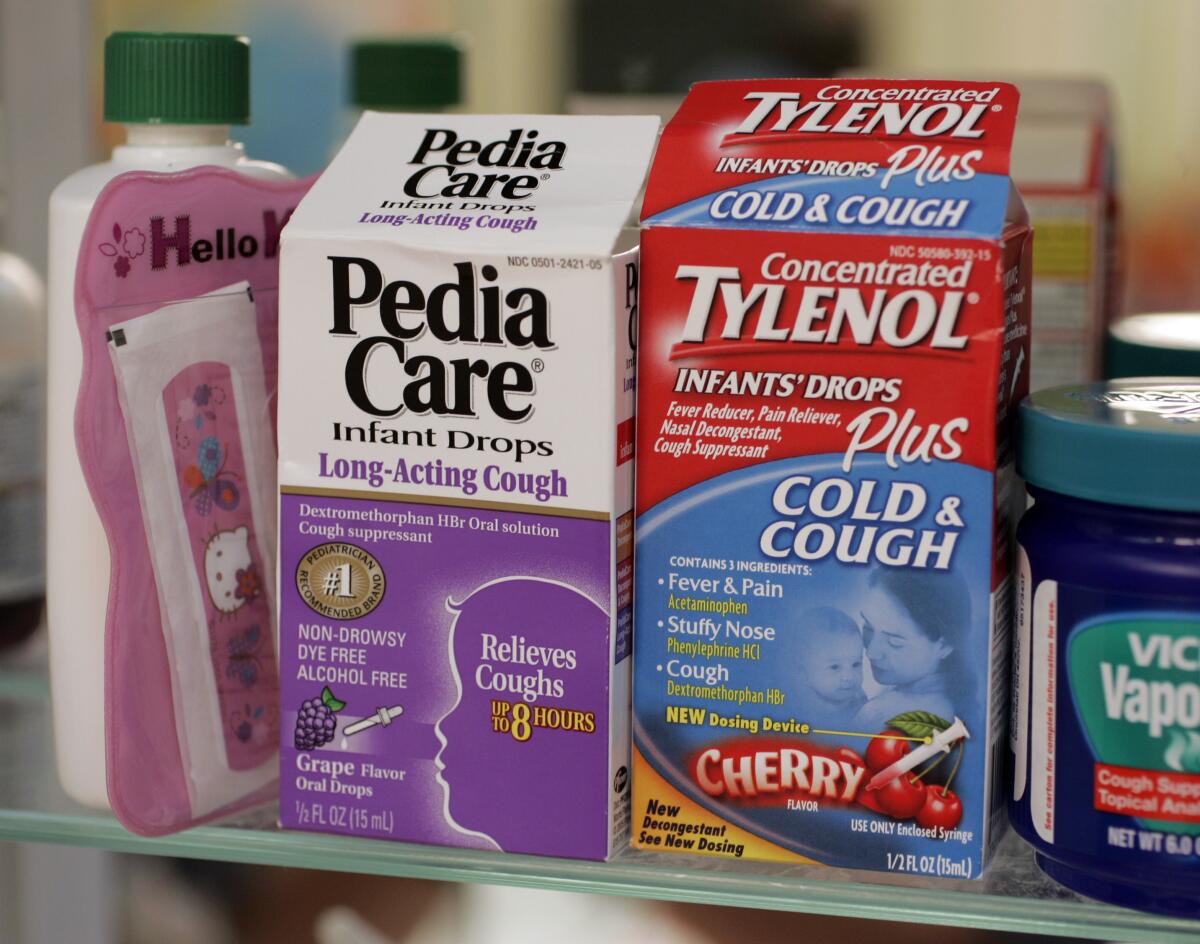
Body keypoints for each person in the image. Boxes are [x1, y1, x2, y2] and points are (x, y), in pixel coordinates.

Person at [853, 567, 974, 732]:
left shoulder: (881, 715)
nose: (870, 653)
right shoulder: (951, 691)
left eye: (895, 641)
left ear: (944, 646)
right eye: (867, 627)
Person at [791, 606, 866, 728]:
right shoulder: (803, 710)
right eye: (835, 667)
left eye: (856, 664)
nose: (848, 676)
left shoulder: (858, 696)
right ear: (803, 673)